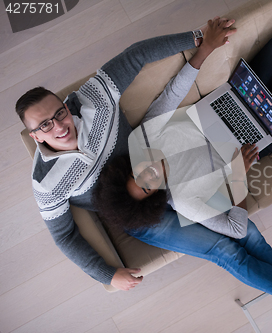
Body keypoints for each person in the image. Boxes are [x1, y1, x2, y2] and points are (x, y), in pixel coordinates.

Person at [94, 29, 272, 331]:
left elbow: (171, 94)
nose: (147, 174)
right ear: (155, 195)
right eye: (146, 186)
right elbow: (237, 227)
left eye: (136, 173)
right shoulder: (185, 199)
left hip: (232, 101)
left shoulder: (143, 139)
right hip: (259, 137)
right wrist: (237, 176)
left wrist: (203, 51)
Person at [15, 16, 237, 291]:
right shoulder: (45, 185)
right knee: (224, 250)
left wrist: (197, 38)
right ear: (35, 136)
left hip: (155, 165)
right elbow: (64, 237)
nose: (59, 126)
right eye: (45, 125)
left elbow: (137, 55)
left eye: (59, 113)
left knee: (236, 236)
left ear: (63, 105)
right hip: (131, 213)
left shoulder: (93, 99)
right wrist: (105, 274)